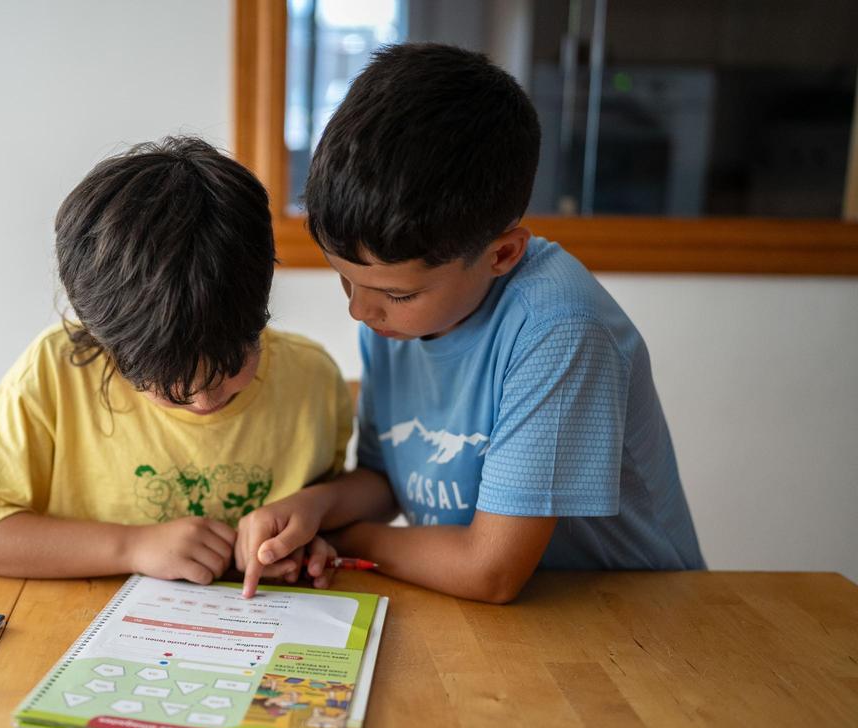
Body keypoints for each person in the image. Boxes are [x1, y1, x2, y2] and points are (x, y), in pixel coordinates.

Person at [236, 44, 705, 602]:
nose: (359, 311)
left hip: (632, 618)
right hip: (512, 620)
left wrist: (344, 535)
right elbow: (388, 479)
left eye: (396, 292)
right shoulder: (394, 318)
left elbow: (491, 571)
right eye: (345, 280)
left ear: (502, 255)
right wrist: (310, 508)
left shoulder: (560, 330)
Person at [0, 136, 351, 586]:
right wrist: (134, 546)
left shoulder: (312, 378)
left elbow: (336, 511)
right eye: (168, 384)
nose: (205, 401)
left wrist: (309, 542)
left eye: (231, 368)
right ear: (105, 340)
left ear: (259, 311)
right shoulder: (56, 370)